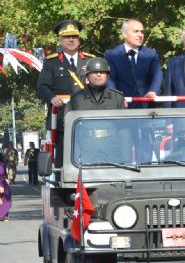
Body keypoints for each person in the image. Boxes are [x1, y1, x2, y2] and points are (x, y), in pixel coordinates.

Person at [36, 19, 95, 167]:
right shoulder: (51, 62)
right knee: (63, 161)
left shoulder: (91, 61)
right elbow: (42, 86)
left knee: (91, 157)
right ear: (60, 39)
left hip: (88, 116)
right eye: (67, 36)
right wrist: (52, 98)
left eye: (74, 36)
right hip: (62, 118)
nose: (71, 40)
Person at [105, 19, 162, 108]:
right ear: (124, 34)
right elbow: (110, 80)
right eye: (136, 31)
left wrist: (153, 91)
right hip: (122, 106)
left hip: (146, 106)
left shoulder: (151, 54)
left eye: (142, 32)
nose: (140, 35)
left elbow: (157, 75)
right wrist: (116, 99)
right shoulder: (112, 55)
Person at [0, 155, 11, 221]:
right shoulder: (2, 164)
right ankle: (3, 215)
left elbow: (4, 173)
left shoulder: (2, 164)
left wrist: (6, 179)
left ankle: (3, 215)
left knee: (6, 198)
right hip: (1, 182)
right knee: (4, 198)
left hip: (3, 181)